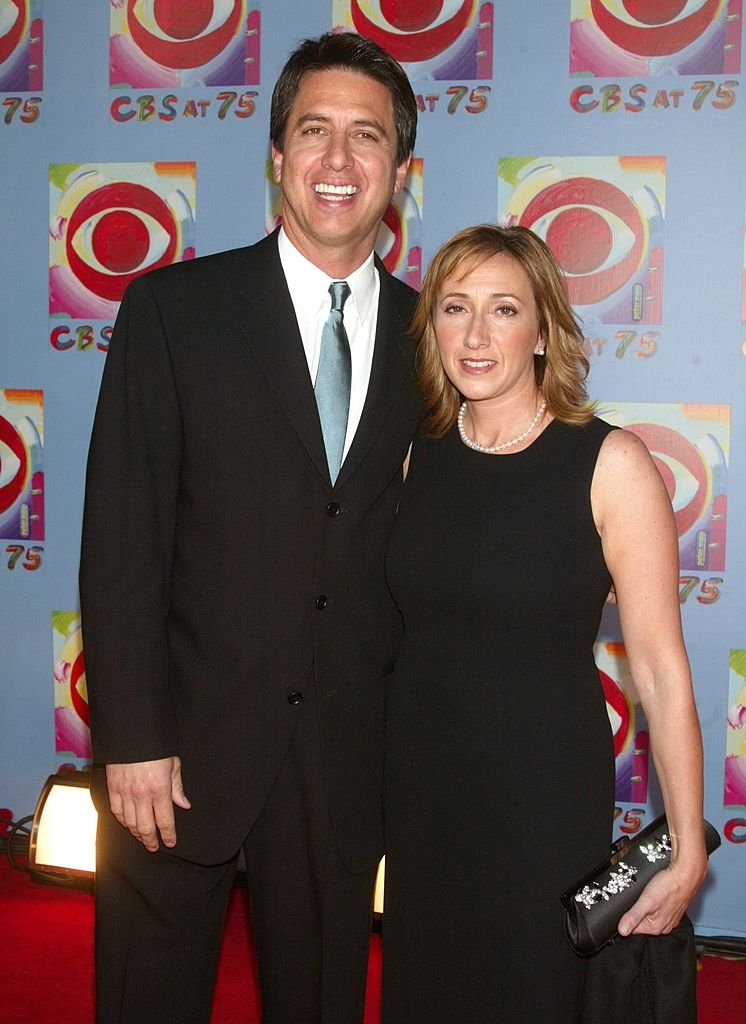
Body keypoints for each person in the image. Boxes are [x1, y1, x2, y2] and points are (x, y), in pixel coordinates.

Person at [79, 32, 420, 1024]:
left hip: (343, 758)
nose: (338, 160)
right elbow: (122, 538)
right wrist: (130, 737)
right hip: (177, 752)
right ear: (276, 155)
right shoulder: (173, 310)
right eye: (314, 131)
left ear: (399, 170)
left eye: (367, 137)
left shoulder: (435, 338)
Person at [381, 224, 707, 1022]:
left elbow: (661, 673)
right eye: (456, 308)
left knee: (531, 991)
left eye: (504, 309)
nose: (478, 334)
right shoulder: (411, 456)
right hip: (421, 785)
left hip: (543, 793)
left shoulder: (610, 463)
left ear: (543, 329)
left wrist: (689, 845)